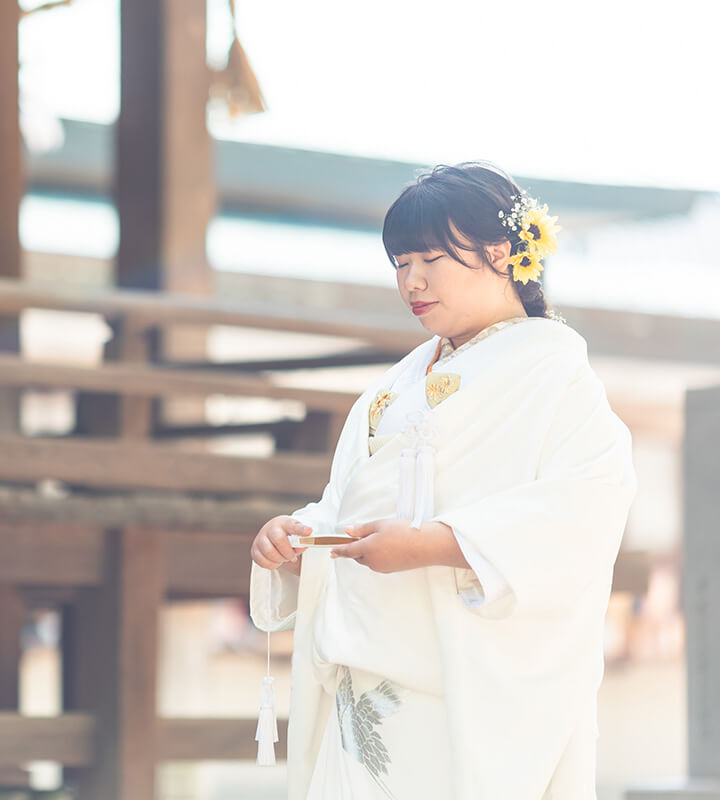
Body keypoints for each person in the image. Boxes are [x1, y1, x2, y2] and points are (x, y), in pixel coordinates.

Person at [248, 162, 637, 800]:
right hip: (363, 673)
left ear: (502, 253)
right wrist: (297, 540)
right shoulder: (392, 387)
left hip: (464, 681)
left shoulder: (557, 379)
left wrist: (434, 544)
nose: (413, 281)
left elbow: (584, 511)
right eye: (400, 263)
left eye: (431, 257)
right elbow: (348, 502)